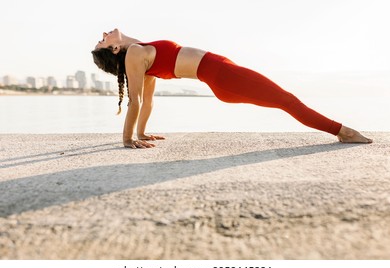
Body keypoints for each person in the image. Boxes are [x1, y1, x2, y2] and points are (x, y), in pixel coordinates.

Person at [92, 28, 372, 149]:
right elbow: (136, 101)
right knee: (287, 100)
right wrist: (128, 138)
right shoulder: (134, 54)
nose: (103, 36)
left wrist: (142, 132)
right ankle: (342, 131)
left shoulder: (142, 54)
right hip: (222, 76)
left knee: (284, 100)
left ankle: (340, 131)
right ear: (116, 49)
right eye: (102, 42)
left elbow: (149, 102)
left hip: (223, 76)